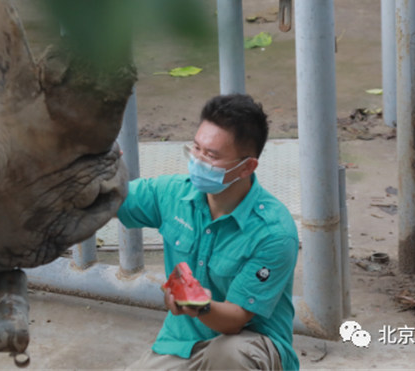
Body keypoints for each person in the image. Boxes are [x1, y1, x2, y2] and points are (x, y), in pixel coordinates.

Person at [117, 93, 299, 370]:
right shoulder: (172, 193)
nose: (198, 161)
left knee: (230, 355)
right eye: (196, 148)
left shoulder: (274, 232)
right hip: (181, 343)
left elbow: (237, 318)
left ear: (247, 166)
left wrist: (198, 304)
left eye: (211, 155)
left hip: (247, 344)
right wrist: (102, 168)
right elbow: (114, 199)